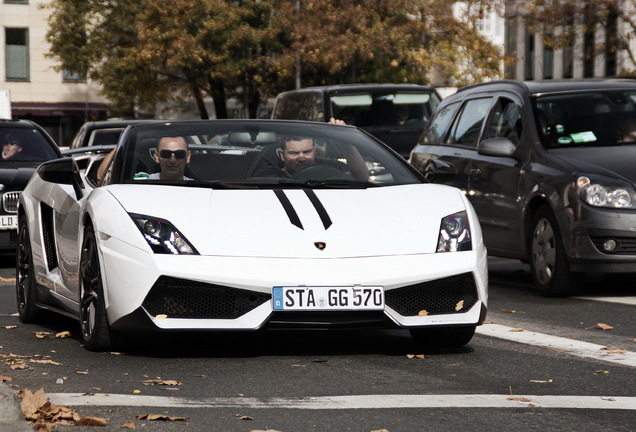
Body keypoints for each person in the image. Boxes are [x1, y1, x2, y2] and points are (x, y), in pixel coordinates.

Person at [253, 118, 368, 180]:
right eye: (294, 153)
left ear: (314, 150)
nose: (301, 158)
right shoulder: (268, 176)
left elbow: (361, 177)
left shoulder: (328, 171)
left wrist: (346, 143)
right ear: (282, 155)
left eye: (307, 152)